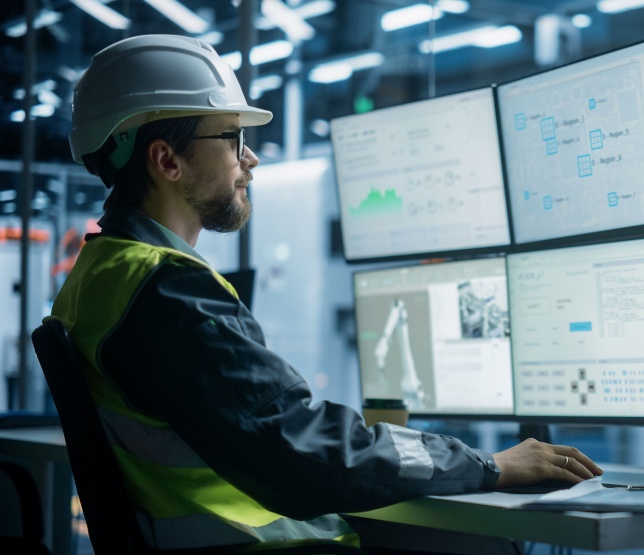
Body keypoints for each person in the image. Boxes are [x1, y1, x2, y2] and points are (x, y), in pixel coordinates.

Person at [51, 34, 602, 550]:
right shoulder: (167, 291)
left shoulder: (99, 276)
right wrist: (488, 465)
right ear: (167, 161)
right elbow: (306, 449)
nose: (251, 158)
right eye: (232, 137)